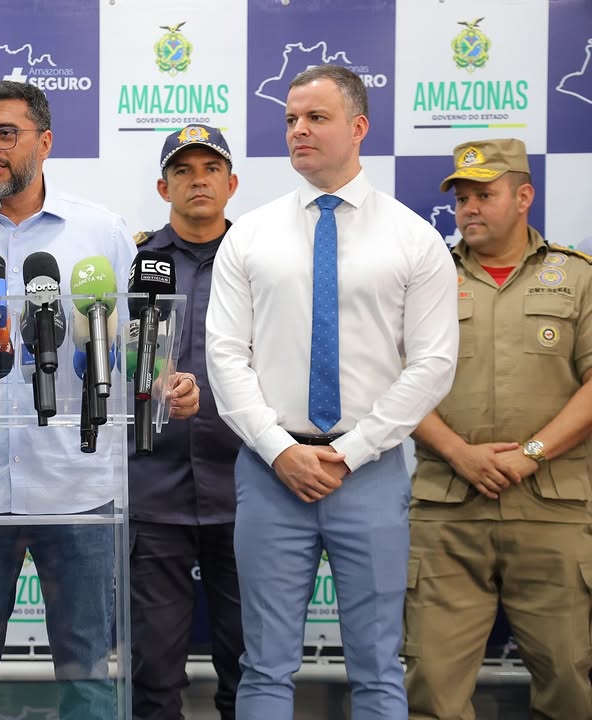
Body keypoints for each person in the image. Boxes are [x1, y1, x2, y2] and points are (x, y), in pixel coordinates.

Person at [0, 80, 198, 719]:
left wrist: (165, 383)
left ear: (45, 142)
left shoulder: (101, 231)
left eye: (6, 134)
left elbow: (134, 342)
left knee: (87, 673)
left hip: (75, 486)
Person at [205, 64, 459, 718]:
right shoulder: (250, 235)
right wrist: (278, 449)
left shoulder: (414, 238)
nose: (299, 130)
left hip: (369, 472)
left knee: (378, 667)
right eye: (291, 119)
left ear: (359, 126)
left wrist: (351, 452)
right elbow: (226, 356)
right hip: (270, 470)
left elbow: (433, 364)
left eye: (316, 117)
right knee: (264, 667)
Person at [404, 138, 592, 719]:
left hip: (553, 509)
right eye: (462, 198)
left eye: (484, 195)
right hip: (448, 508)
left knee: (569, 679)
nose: (469, 209)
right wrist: (459, 453)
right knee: (432, 686)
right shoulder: (427, 277)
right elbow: (393, 385)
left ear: (524, 196)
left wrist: (530, 453)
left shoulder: (577, 277)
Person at [129, 125, 244, 720]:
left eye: (210, 169)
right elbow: (104, 360)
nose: (198, 181)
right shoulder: (136, 263)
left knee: (250, 666)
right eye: (183, 170)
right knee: (153, 673)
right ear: (163, 186)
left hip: (248, 487)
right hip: (155, 489)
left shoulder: (260, 259)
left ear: (232, 183)